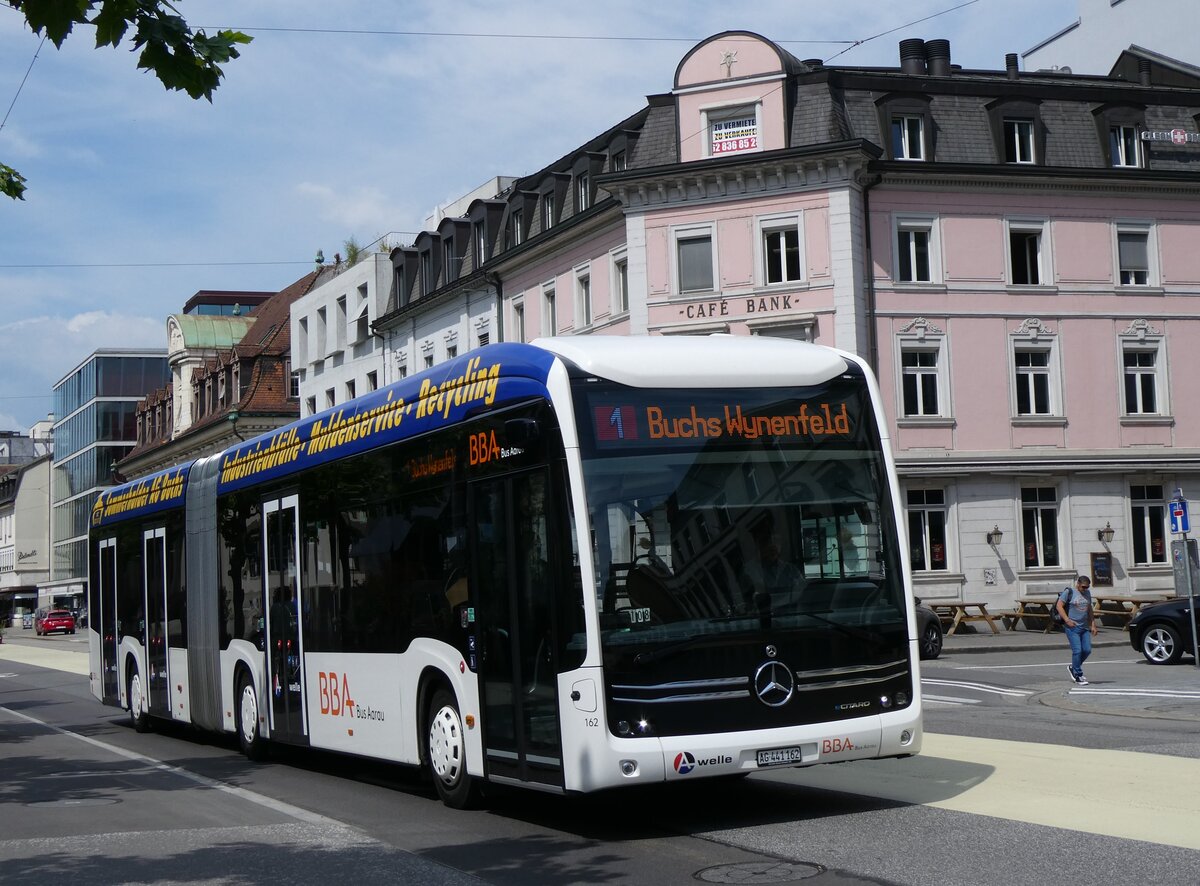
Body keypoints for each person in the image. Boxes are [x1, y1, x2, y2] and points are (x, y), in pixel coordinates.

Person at [1057, 574, 1097, 685]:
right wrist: (1067, 620)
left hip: (1084, 627)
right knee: (1077, 650)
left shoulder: (1087, 593)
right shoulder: (1069, 592)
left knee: (1087, 650)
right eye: (1083, 587)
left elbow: (1089, 609)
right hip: (1072, 627)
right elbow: (1059, 606)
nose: (1085, 589)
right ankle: (1077, 675)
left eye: (1087, 587)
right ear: (1078, 584)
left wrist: (1093, 624)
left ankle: (1073, 667)